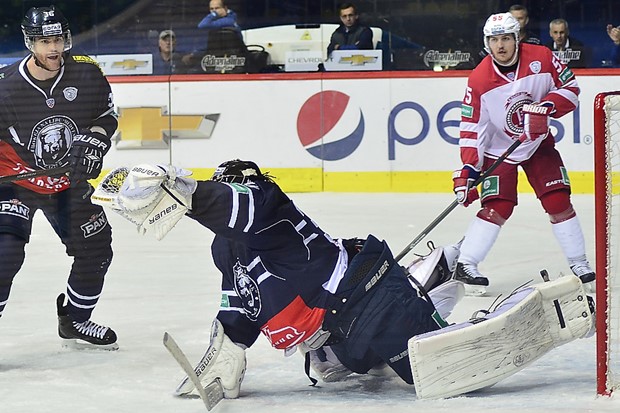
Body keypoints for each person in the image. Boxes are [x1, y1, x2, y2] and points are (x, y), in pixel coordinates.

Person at [92, 160, 594, 404]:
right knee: (354, 366)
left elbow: (239, 205)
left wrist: (187, 189)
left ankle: (543, 307)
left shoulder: (267, 204)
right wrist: (224, 356)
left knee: (440, 371)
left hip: (375, 304)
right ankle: (434, 274)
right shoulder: (225, 247)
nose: (237, 190)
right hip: (339, 343)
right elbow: (242, 304)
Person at [452, 12, 595, 296]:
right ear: (487, 43)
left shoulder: (541, 57)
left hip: (538, 143)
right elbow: (472, 128)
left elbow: (571, 89)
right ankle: (466, 264)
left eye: (506, 38)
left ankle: (579, 263)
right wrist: (468, 170)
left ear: (517, 38)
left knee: (558, 200)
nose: (500, 45)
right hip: (499, 150)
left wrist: (547, 107)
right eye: (494, 40)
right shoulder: (480, 78)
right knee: (498, 205)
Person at [0, 6, 118, 349]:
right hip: (16, 183)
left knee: (96, 249)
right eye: (44, 41)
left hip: (67, 181)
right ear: (29, 43)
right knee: (5, 253)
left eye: (58, 39)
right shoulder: (6, 87)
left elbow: (106, 116)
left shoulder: (87, 74)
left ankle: (75, 320)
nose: (54, 48)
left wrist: (94, 138)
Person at [476, 4, 540, 64]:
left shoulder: (534, 40)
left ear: (526, 20)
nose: (516, 22)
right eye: (513, 19)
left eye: (520, 18)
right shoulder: (491, 43)